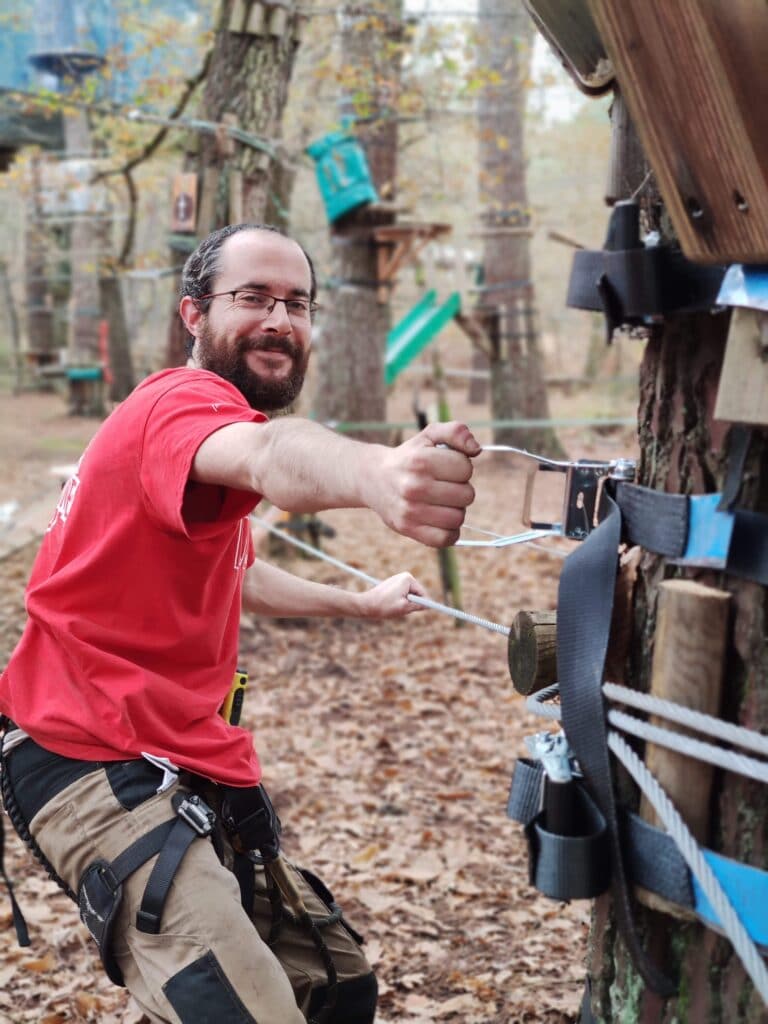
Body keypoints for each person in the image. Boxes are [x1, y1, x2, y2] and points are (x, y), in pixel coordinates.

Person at [0, 223, 481, 1024]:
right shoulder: (183, 406)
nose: (278, 320)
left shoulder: (196, 458)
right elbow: (273, 457)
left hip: (186, 761)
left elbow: (242, 572)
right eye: (252, 298)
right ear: (194, 314)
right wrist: (375, 471)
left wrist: (357, 604)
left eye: (297, 303)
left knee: (334, 991)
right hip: (85, 756)